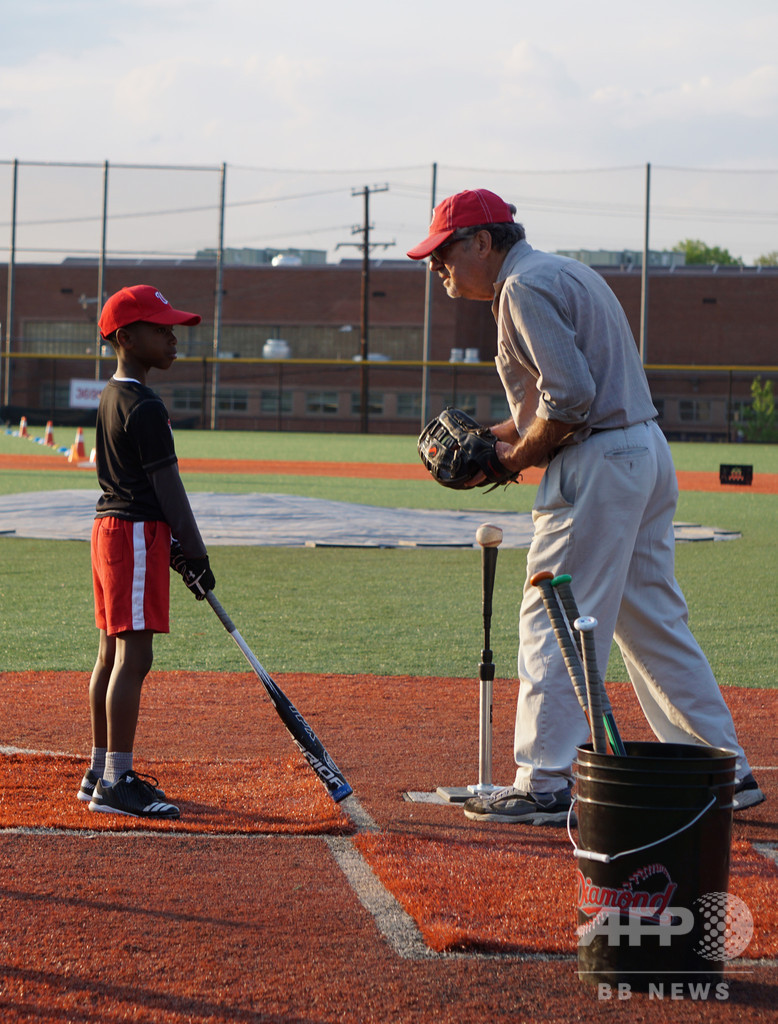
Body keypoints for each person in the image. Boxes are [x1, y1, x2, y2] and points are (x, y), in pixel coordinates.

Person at [408, 189, 764, 824]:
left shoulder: (520, 289)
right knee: (650, 618)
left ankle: (544, 781)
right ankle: (720, 769)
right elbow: (570, 397)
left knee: (554, 615)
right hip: (642, 451)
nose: (438, 267)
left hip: (597, 464)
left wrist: (509, 462)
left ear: (484, 242)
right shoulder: (564, 270)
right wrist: (496, 438)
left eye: (445, 252)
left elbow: (570, 401)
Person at [77, 284, 216, 820]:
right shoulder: (146, 404)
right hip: (136, 532)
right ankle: (117, 779)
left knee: (110, 654)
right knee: (135, 657)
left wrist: (177, 546)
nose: (173, 337)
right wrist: (196, 552)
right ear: (126, 337)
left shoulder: (112, 395)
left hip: (112, 529)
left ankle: (98, 770)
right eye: (161, 329)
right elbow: (168, 489)